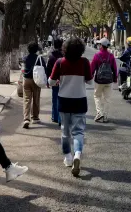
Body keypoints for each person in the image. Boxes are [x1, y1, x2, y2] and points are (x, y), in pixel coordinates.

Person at [49, 37, 92, 177]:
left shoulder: (60, 62)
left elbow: (51, 81)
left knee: (65, 132)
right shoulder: (85, 62)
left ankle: (68, 157)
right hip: (80, 101)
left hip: (64, 101)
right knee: (78, 132)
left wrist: (57, 82)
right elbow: (90, 81)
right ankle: (77, 155)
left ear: (65, 49)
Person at [90, 38, 118, 122]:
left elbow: (92, 67)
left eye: (99, 44)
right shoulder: (111, 56)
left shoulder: (97, 55)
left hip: (99, 80)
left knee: (97, 96)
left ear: (101, 46)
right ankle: (105, 116)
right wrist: (115, 78)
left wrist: (90, 76)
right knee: (107, 98)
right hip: (108, 80)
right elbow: (114, 68)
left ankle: (100, 113)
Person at [22, 42, 44, 129]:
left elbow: (23, 68)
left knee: (26, 99)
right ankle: (35, 117)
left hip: (26, 80)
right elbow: (44, 68)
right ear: (36, 50)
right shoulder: (39, 58)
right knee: (36, 99)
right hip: (36, 80)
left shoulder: (25, 58)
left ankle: (26, 119)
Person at [45, 38, 64, 125]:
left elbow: (48, 69)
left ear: (54, 45)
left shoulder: (51, 56)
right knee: (62, 99)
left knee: (55, 99)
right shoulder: (64, 56)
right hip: (63, 80)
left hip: (54, 80)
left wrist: (48, 81)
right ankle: (61, 118)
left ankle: (55, 117)